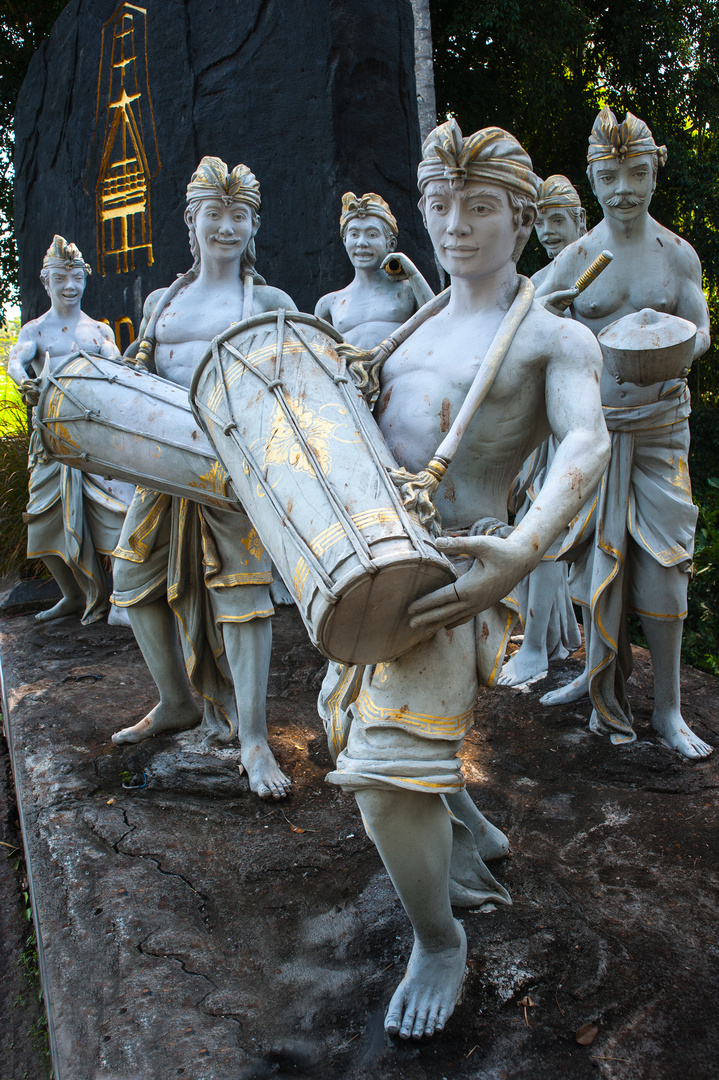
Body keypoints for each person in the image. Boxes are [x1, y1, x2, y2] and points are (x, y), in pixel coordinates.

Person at [319, 120, 609, 1039]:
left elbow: (586, 441)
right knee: (359, 732)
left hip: (459, 572)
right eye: (440, 205)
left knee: (381, 775)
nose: (453, 224)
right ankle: (469, 828)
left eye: (478, 207)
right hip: (369, 561)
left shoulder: (552, 339)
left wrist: (521, 552)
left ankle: (438, 938)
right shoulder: (410, 325)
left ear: (519, 219)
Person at [110, 157, 295, 799]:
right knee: (132, 576)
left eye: (237, 215)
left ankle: (253, 736)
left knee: (243, 597)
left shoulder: (269, 302)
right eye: (212, 214)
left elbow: (291, 390)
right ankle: (175, 701)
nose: (225, 226)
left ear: (253, 226)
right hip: (162, 464)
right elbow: (138, 377)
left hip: (233, 470)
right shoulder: (164, 301)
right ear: (192, 223)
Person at [535, 108, 712, 760]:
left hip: (661, 429)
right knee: (595, 567)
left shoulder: (676, 255)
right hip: (596, 431)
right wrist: (549, 323)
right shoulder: (577, 258)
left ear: (653, 170)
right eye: (609, 175)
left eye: (635, 171)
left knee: (665, 575)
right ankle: (595, 683)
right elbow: (524, 319)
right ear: (592, 176)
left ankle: (666, 710)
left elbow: (701, 330)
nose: (622, 188)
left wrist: (662, 345)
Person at [7, 236, 134, 625]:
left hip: (94, 439)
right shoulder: (36, 330)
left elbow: (117, 370)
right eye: (61, 277)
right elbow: (17, 362)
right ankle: (72, 596)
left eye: (76, 276)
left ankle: (122, 599)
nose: (70, 286)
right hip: (50, 439)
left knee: (118, 514)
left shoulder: (98, 331)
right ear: (47, 282)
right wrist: (25, 382)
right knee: (42, 521)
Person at [498, 176, 587, 687]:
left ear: (580, 220)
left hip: (592, 427)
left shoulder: (602, 263)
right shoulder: (538, 280)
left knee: (560, 533)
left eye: (562, 220)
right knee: (538, 524)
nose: (552, 232)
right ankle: (540, 640)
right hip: (546, 430)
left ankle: (545, 644)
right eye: (545, 221)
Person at [314, 192, 433, 349]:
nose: (361, 243)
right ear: (344, 241)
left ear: (390, 243)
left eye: (372, 234)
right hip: (349, 372)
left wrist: (414, 275)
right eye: (354, 234)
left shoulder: (409, 290)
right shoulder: (328, 304)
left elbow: (440, 327)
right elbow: (317, 357)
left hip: (401, 372)